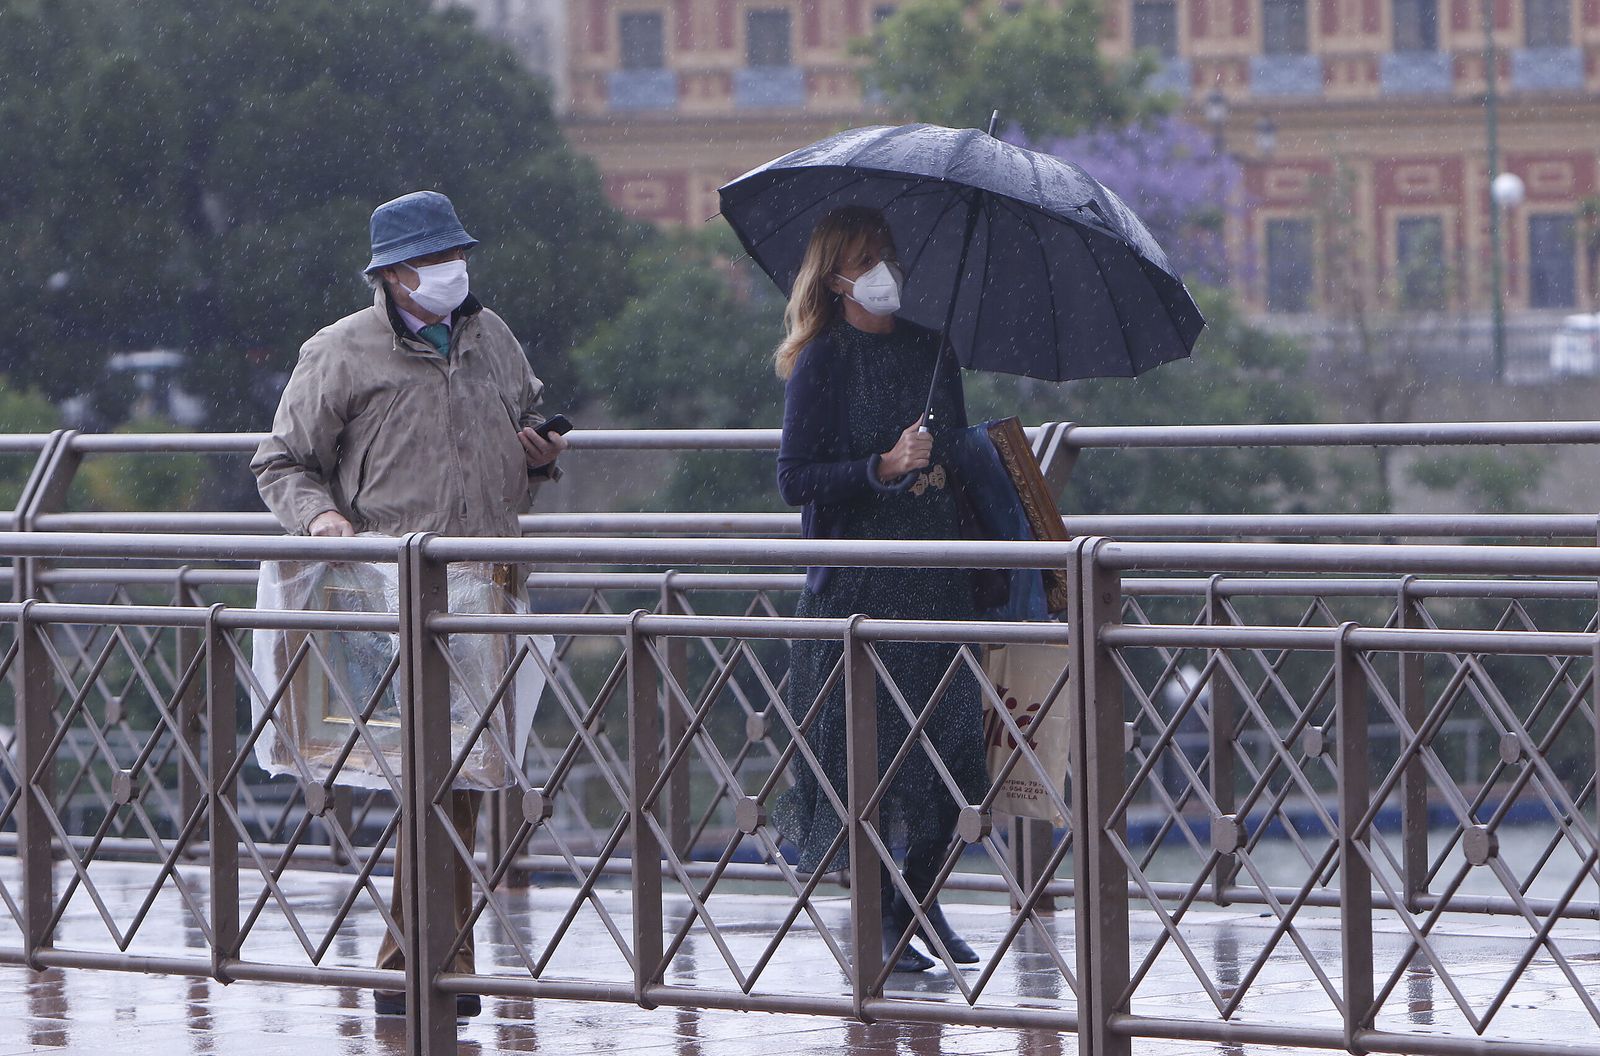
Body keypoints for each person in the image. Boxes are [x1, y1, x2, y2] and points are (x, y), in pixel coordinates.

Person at [251, 190, 568, 1017]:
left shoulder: (491, 339)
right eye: (434, 260)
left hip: (486, 587)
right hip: (388, 596)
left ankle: (427, 963)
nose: (452, 272)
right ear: (392, 274)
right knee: (432, 779)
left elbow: (527, 430)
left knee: (461, 779)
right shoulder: (341, 352)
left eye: (457, 255)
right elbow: (282, 462)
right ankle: (418, 966)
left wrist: (538, 455)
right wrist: (321, 521)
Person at [769, 205, 989, 972]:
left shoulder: (934, 352)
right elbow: (795, 478)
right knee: (873, 764)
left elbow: (960, 456)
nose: (881, 271)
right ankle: (883, 923)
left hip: (936, 578)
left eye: (886, 255)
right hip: (858, 588)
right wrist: (881, 467)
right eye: (864, 259)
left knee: (955, 759)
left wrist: (958, 465)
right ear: (835, 276)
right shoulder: (823, 360)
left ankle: (913, 907)